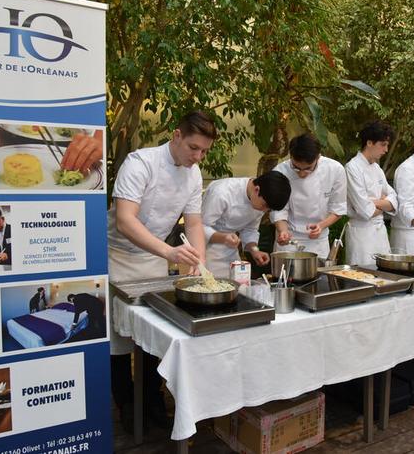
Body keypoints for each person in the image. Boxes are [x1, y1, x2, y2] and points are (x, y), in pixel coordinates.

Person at [108, 110, 216, 428]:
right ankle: (126, 403)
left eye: (204, 151)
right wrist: (170, 252)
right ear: (177, 135)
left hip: (152, 258)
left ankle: (152, 398)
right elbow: (125, 220)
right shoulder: (140, 163)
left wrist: (200, 261)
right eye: (193, 148)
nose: (198, 157)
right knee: (119, 337)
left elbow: (194, 222)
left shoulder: (193, 175)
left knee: (150, 332)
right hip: (117, 255)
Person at [270, 133, 347, 259]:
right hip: (289, 240)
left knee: (318, 277)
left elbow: (338, 207)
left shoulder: (335, 170)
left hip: (318, 242)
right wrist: (283, 231)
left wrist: (321, 225)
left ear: (318, 157)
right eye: (296, 168)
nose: (301, 174)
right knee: (284, 278)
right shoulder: (280, 172)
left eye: (308, 169)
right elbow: (279, 210)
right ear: (290, 156)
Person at [201, 171, 291, 277]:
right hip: (205, 252)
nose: (264, 210)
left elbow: (250, 230)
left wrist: (255, 251)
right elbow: (200, 228)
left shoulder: (260, 199)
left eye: (268, 209)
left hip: (230, 252)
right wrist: (223, 238)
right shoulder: (221, 192)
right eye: (264, 206)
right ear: (257, 190)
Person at [345, 121, 398, 265]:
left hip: (380, 233)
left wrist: (373, 202)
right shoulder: (352, 168)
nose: (386, 150)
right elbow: (364, 210)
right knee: (362, 277)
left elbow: (395, 200)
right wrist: (383, 204)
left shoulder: (377, 169)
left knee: (385, 275)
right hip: (361, 235)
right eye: (383, 144)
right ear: (369, 143)